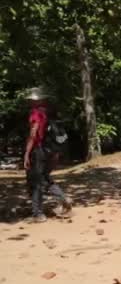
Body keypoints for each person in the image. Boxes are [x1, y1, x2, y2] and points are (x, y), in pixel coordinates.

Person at [24, 87, 71, 223]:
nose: (30, 102)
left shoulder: (35, 114)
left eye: (32, 100)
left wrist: (27, 153)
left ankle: (38, 214)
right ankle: (63, 198)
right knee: (44, 178)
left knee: (36, 181)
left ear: (36, 101)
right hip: (50, 151)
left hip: (38, 151)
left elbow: (33, 134)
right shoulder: (48, 113)